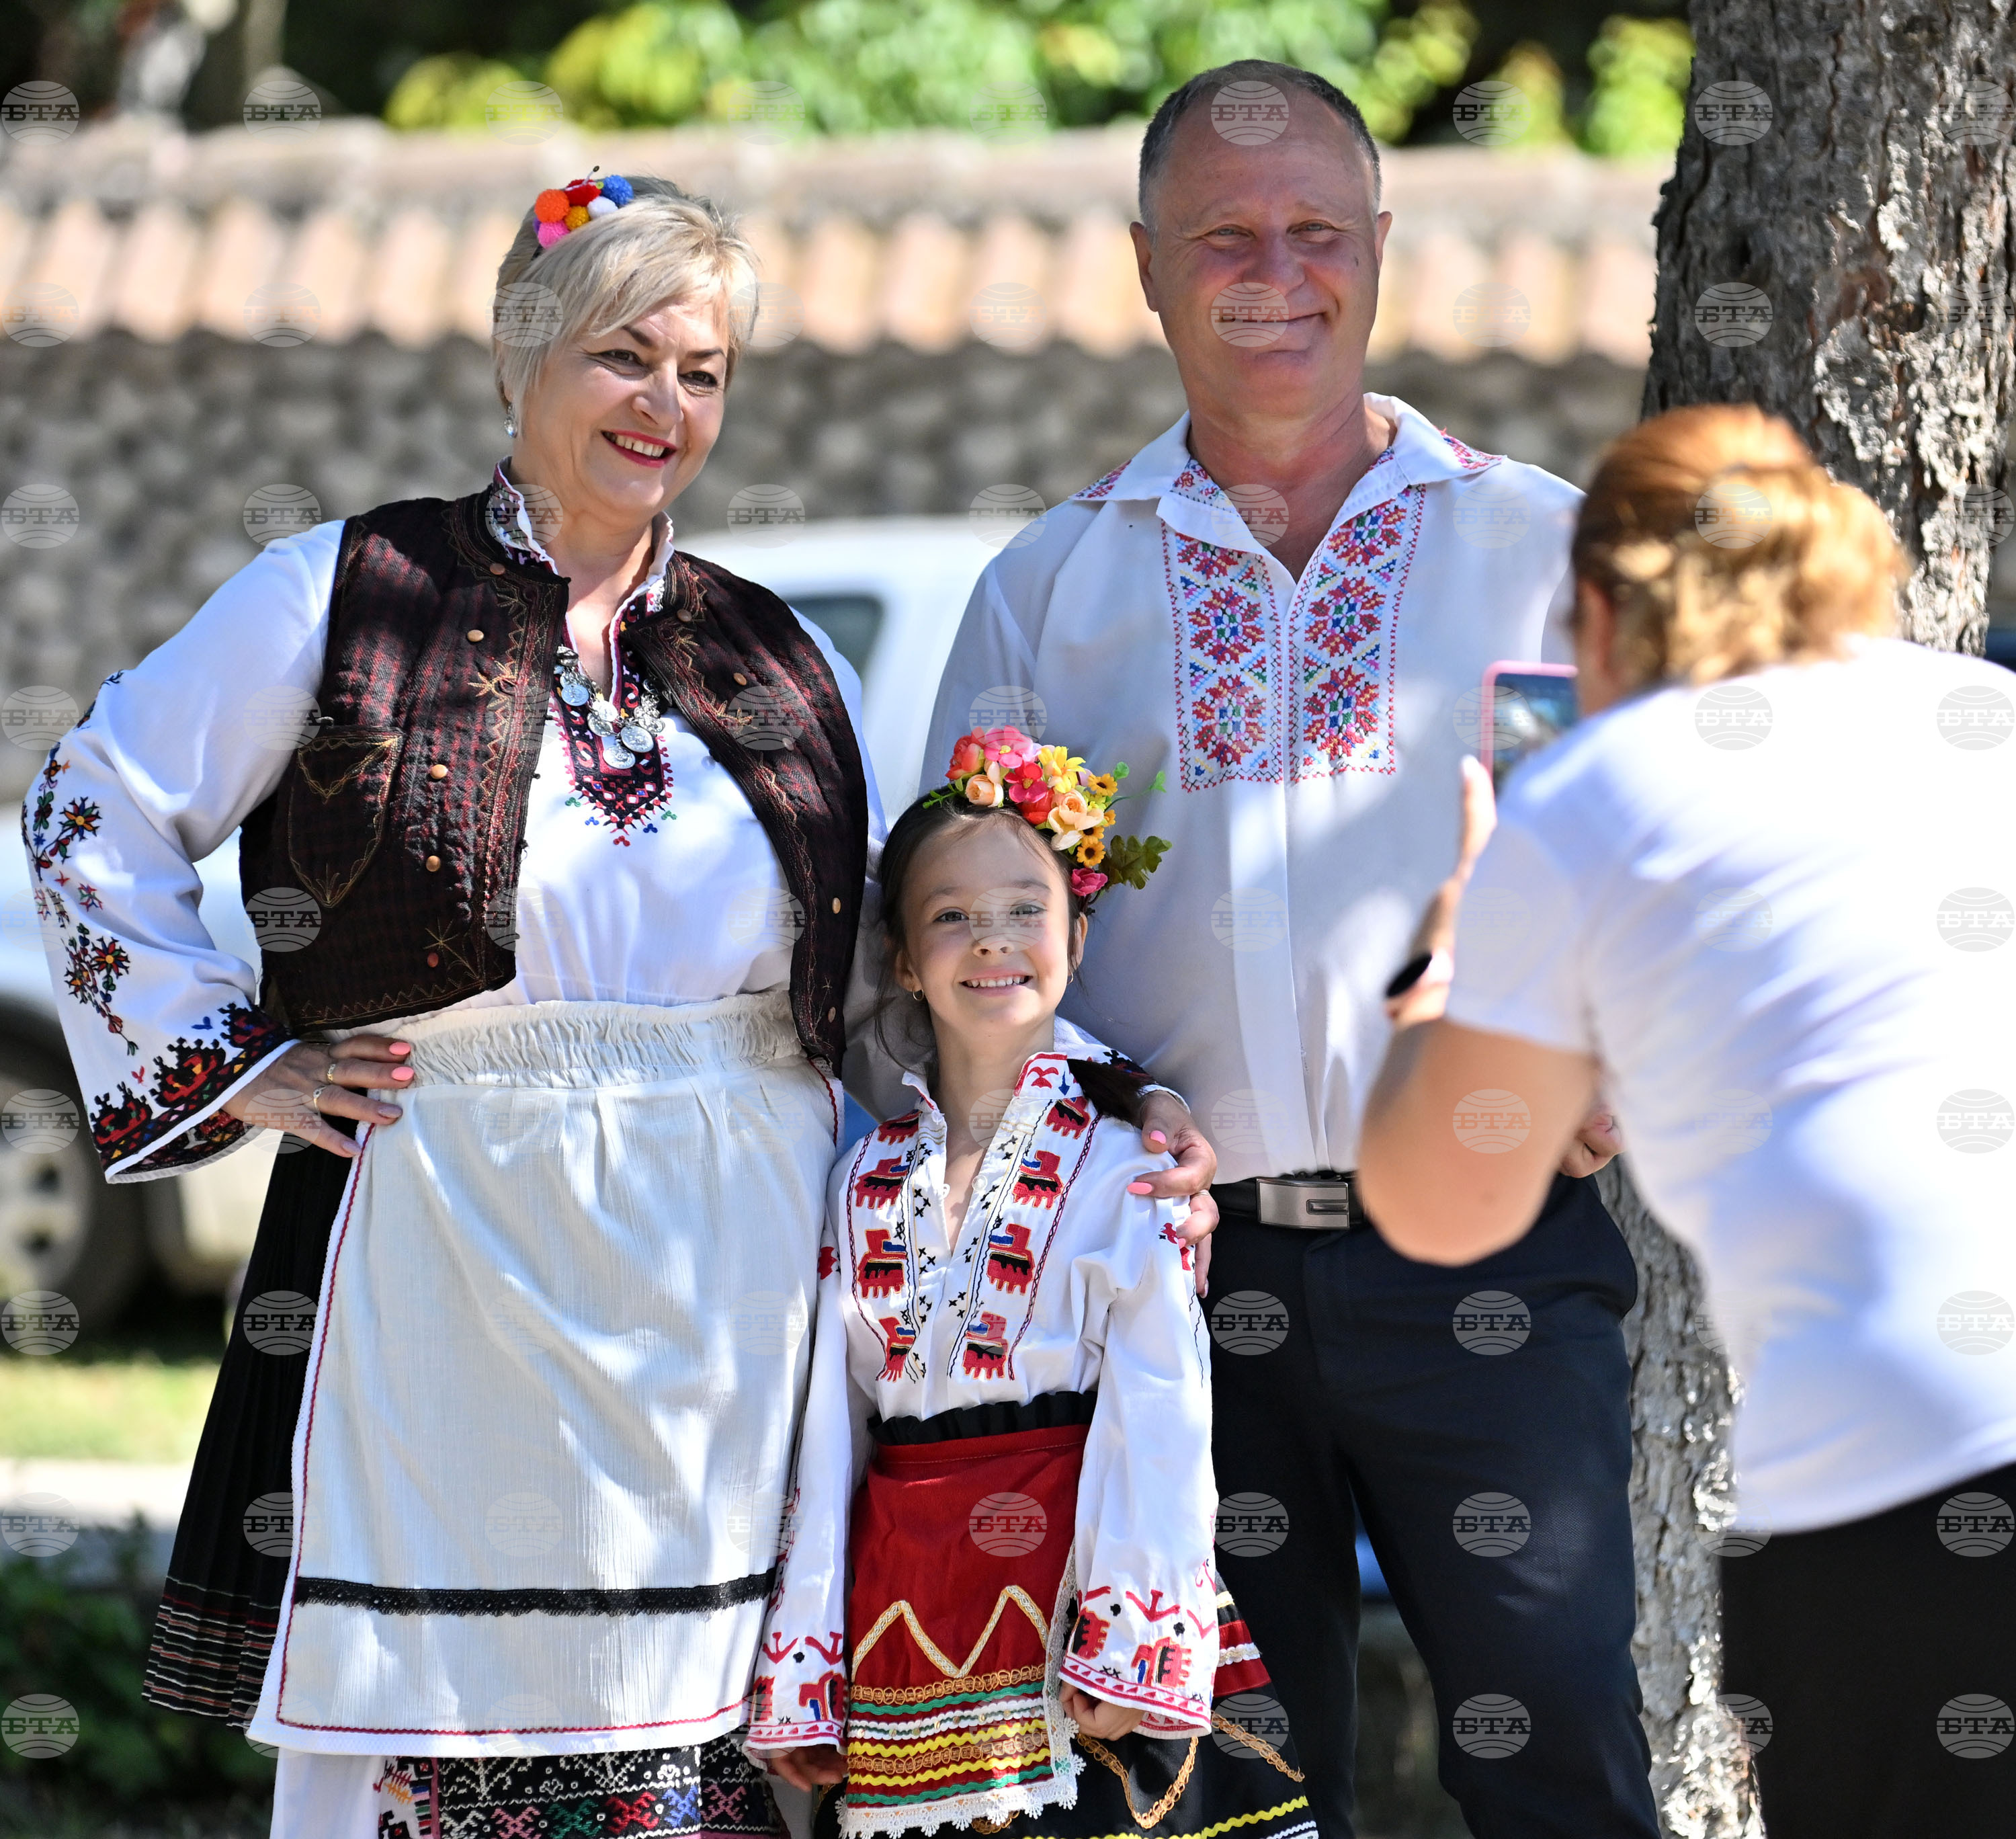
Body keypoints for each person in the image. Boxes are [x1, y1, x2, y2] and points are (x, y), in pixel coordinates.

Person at [27, 173, 1208, 1839]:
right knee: (439, 1732)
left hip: (731, 1282)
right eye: (623, 356)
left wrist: (1109, 1105)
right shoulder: (350, 594)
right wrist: (239, 1066)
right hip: (449, 1256)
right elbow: (95, 805)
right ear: (523, 355)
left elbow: (899, 975)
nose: (666, 406)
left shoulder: (782, 660)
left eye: (705, 372)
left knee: (704, 1732)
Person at [927, 58, 1656, 1838]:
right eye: (1227, 236)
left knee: (1557, 1750)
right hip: (1168, 1287)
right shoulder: (1050, 586)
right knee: (1200, 1798)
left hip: (1484, 1257)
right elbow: (963, 945)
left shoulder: (1544, 550)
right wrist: (1072, 1125)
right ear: (1147, 265)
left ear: (1383, 250)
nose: (1279, 272)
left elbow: (1651, 868)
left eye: (1320, 231)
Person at [1357, 403, 2016, 1838]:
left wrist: (1451, 957)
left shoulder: (1600, 791)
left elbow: (1439, 1201)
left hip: (1899, 1484)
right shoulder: (1987, 721)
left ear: (1596, 609)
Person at [745, 727, 1312, 1839]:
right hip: (902, 1618)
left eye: (1025, 910)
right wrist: (805, 1666)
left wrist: (1132, 1640)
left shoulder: (1126, 1167)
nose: (992, 941)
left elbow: (1161, 1413)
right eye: (951, 916)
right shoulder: (858, 1178)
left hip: (1071, 1603)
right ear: (905, 959)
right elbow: (826, 1434)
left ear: (1078, 933)